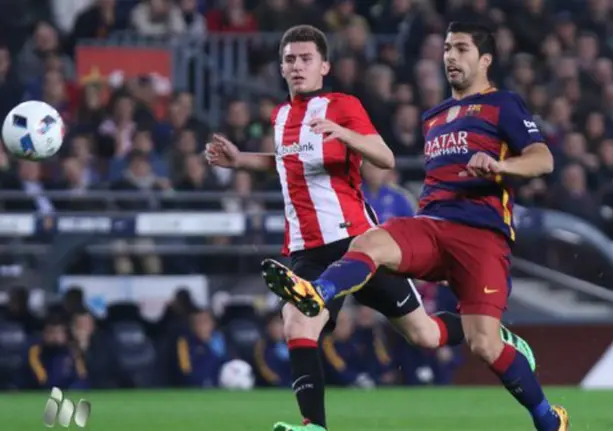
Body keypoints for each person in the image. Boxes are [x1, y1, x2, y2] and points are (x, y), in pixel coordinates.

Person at [261, 21, 569, 431]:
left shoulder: (503, 104)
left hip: (481, 235)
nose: (451, 57)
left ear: (485, 59)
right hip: (432, 225)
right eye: (446, 48)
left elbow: (542, 159)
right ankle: (318, 291)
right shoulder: (434, 116)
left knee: (482, 343)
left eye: (461, 49)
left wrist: (501, 166)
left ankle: (548, 418)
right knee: (370, 241)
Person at [205, 25, 467, 431]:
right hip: (308, 250)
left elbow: (385, 157)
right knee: (296, 323)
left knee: (426, 335)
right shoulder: (281, 117)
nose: (297, 66)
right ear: (281, 67)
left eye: (306, 58)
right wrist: (240, 160)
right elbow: (285, 163)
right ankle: (314, 426)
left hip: (359, 244)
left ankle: (484, 330)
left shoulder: (342, 105)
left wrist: (344, 133)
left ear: (324, 66)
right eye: (290, 59)